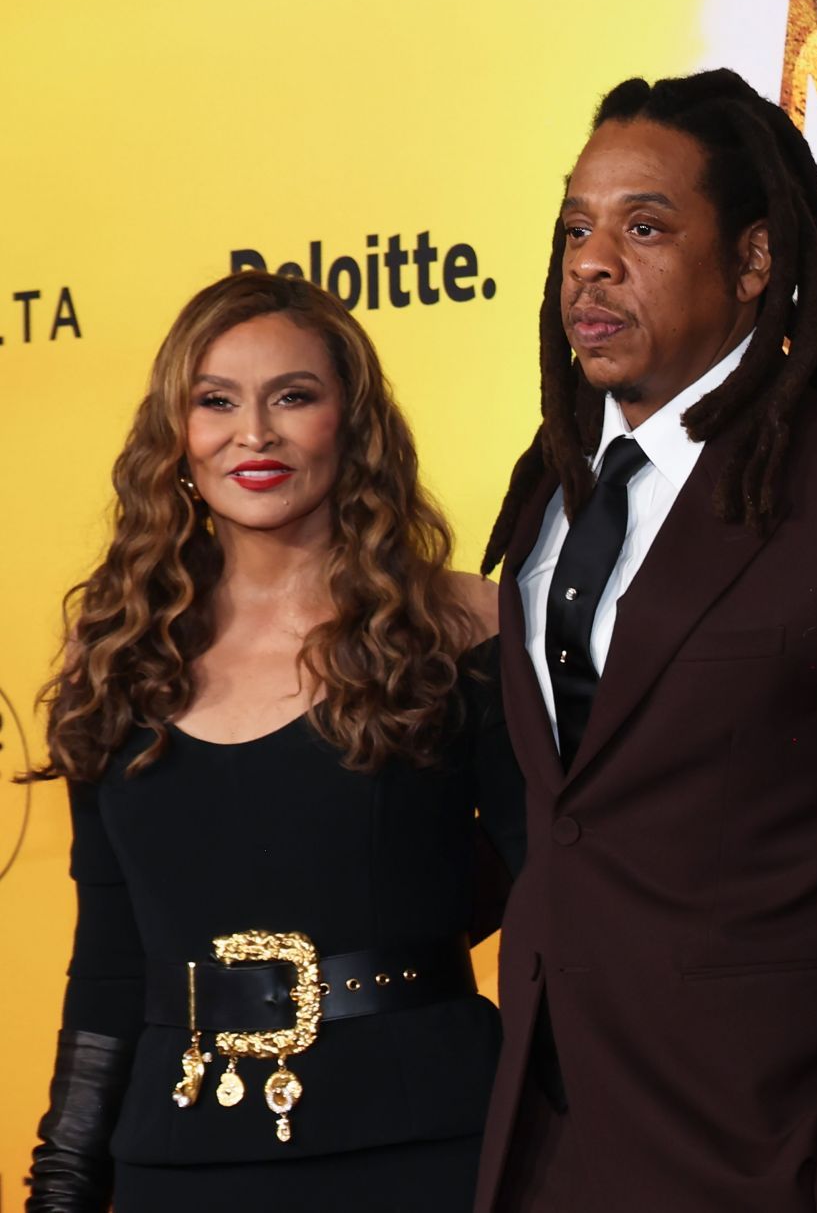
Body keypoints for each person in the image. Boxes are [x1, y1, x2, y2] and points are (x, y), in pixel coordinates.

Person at [473, 68, 817, 1212]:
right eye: (576, 228)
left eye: (645, 227)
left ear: (756, 261)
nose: (591, 263)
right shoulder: (551, 490)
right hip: (545, 1148)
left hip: (756, 1162)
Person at [24, 271, 521, 1213]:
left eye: (293, 396)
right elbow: (111, 964)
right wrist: (62, 1186)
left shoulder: (461, 629)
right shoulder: (122, 652)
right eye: (216, 401)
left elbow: (559, 902)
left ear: (354, 422)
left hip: (428, 1145)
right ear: (178, 435)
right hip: (181, 1156)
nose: (253, 433)